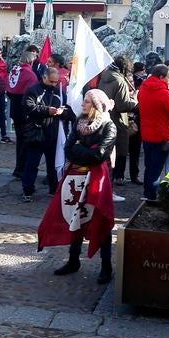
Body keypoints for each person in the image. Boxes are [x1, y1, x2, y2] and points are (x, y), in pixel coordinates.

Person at [49, 89, 119, 283]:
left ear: (96, 104)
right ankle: (73, 260)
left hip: (98, 179)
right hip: (77, 177)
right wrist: (84, 150)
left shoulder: (108, 126)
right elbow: (68, 149)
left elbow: (100, 155)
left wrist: (81, 148)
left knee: (99, 218)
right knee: (75, 217)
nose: (83, 104)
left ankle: (106, 266)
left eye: (87, 102)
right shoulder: (79, 122)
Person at [21, 66, 71, 201]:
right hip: (36, 133)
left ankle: (54, 189)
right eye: (51, 81)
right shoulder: (33, 90)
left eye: (56, 82)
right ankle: (28, 190)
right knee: (32, 164)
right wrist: (47, 111)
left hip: (53, 134)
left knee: (53, 165)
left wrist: (62, 112)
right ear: (44, 77)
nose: (54, 84)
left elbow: (68, 111)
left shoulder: (59, 92)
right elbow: (28, 107)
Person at [137, 64, 169, 202]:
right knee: (156, 170)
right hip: (162, 136)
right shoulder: (164, 93)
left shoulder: (143, 89)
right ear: (161, 77)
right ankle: (150, 197)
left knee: (149, 167)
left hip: (146, 135)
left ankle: (147, 193)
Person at [94, 57, 138, 185]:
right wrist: (135, 100)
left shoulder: (105, 77)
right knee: (120, 148)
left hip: (104, 117)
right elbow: (122, 105)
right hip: (117, 119)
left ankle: (109, 177)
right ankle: (117, 177)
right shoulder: (120, 81)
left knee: (108, 147)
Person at [7, 50, 40, 177]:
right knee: (26, 141)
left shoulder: (15, 71)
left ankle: (18, 167)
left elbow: (9, 90)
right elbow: (33, 92)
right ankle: (22, 168)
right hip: (25, 111)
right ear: (31, 61)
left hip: (15, 109)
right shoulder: (29, 74)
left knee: (20, 140)